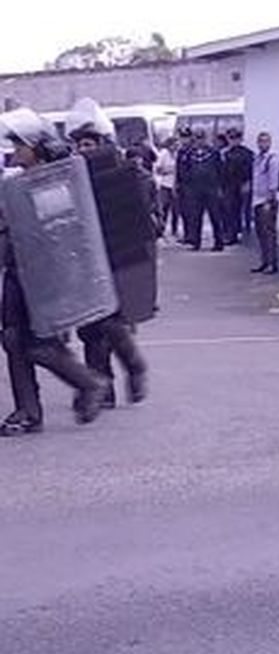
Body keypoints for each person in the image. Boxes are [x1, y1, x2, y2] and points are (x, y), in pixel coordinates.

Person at [0, 108, 106, 434]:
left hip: (43, 274)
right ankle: (27, 411)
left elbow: (57, 231)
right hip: (17, 270)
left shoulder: (53, 184)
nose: (13, 150)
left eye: (19, 145)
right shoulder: (16, 183)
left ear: (36, 147)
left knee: (37, 343)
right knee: (14, 339)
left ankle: (89, 382)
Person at [65, 99, 156, 408]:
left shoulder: (124, 176)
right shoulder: (72, 180)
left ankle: (133, 366)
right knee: (90, 328)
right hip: (85, 261)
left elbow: (142, 220)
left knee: (110, 322)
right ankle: (103, 386)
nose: (83, 151)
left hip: (117, 259)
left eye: (88, 144)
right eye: (79, 145)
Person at [181, 128, 224, 251]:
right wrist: (188, 186)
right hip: (195, 189)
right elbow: (184, 171)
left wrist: (219, 187)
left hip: (211, 188)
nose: (200, 141)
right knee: (195, 217)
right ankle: (196, 242)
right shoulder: (189, 153)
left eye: (202, 138)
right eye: (197, 138)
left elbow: (220, 170)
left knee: (215, 216)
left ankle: (218, 242)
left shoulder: (214, 152)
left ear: (205, 139)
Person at [250, 131, 279, 275]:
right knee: (260, 233)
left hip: (267, 201)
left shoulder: (272, 160)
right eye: (261, 141)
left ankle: (272, 263)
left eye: (266, 141)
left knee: (269, 233)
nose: (263, 144)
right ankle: (264, 261)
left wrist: (270, 200)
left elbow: (273, 183)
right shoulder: (257, 159)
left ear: (270, 143)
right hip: (257, 200)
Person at [222, 128, 254, 245]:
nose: (233, 141)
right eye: (230, 138)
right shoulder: (224, 153)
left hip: (242, 184)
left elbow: (250, 170)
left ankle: (245, 234)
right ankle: (231, 235)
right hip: (229, 185)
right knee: (230, 211)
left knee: (244, 211)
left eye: (235, 138)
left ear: (240, 139)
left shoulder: (246, 153)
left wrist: (248, 183)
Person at [153, 137, 179, 239]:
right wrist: (169, 170)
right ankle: (161, 230)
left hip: (175, 185)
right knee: (164, 209)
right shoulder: (164, 154)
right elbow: (158, 169)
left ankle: (174, 230)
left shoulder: (178, 154)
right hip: (165, 184)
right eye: (174, 145)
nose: (176, 147)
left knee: (176, 210)